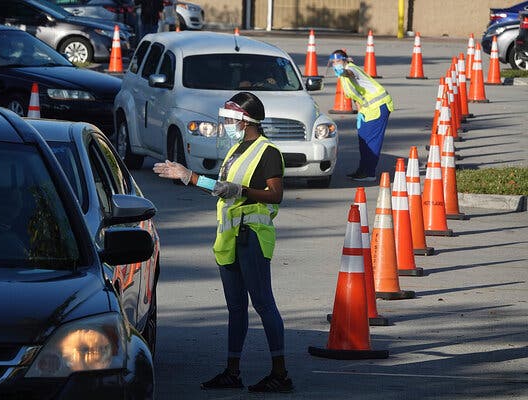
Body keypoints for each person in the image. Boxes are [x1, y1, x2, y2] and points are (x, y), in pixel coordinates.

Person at [152, 92, 294, 393]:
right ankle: (232, 371)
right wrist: (188, 177)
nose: (226, 124)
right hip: (229, 238)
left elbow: (275, 194)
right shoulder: (235, 150)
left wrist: (239, 189)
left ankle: (280, 374)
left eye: (230, 119)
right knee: (236, 308)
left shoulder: (267, 151)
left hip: (251, 236)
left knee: (264, 303)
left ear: (245, 120)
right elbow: (222, 190)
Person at [329, 49, 394, 182]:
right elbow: (356, 96)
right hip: (367, 109)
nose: (336, 64)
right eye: (334, 62)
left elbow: (350, 74)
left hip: (379, 106)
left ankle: (369, 173)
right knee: (363, 140)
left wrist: (344, 71)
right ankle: (362, 170)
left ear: (345, 60)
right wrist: (360, 113)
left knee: (371, 142)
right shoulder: (342, 78)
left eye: (338, 61)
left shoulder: (351, 69)